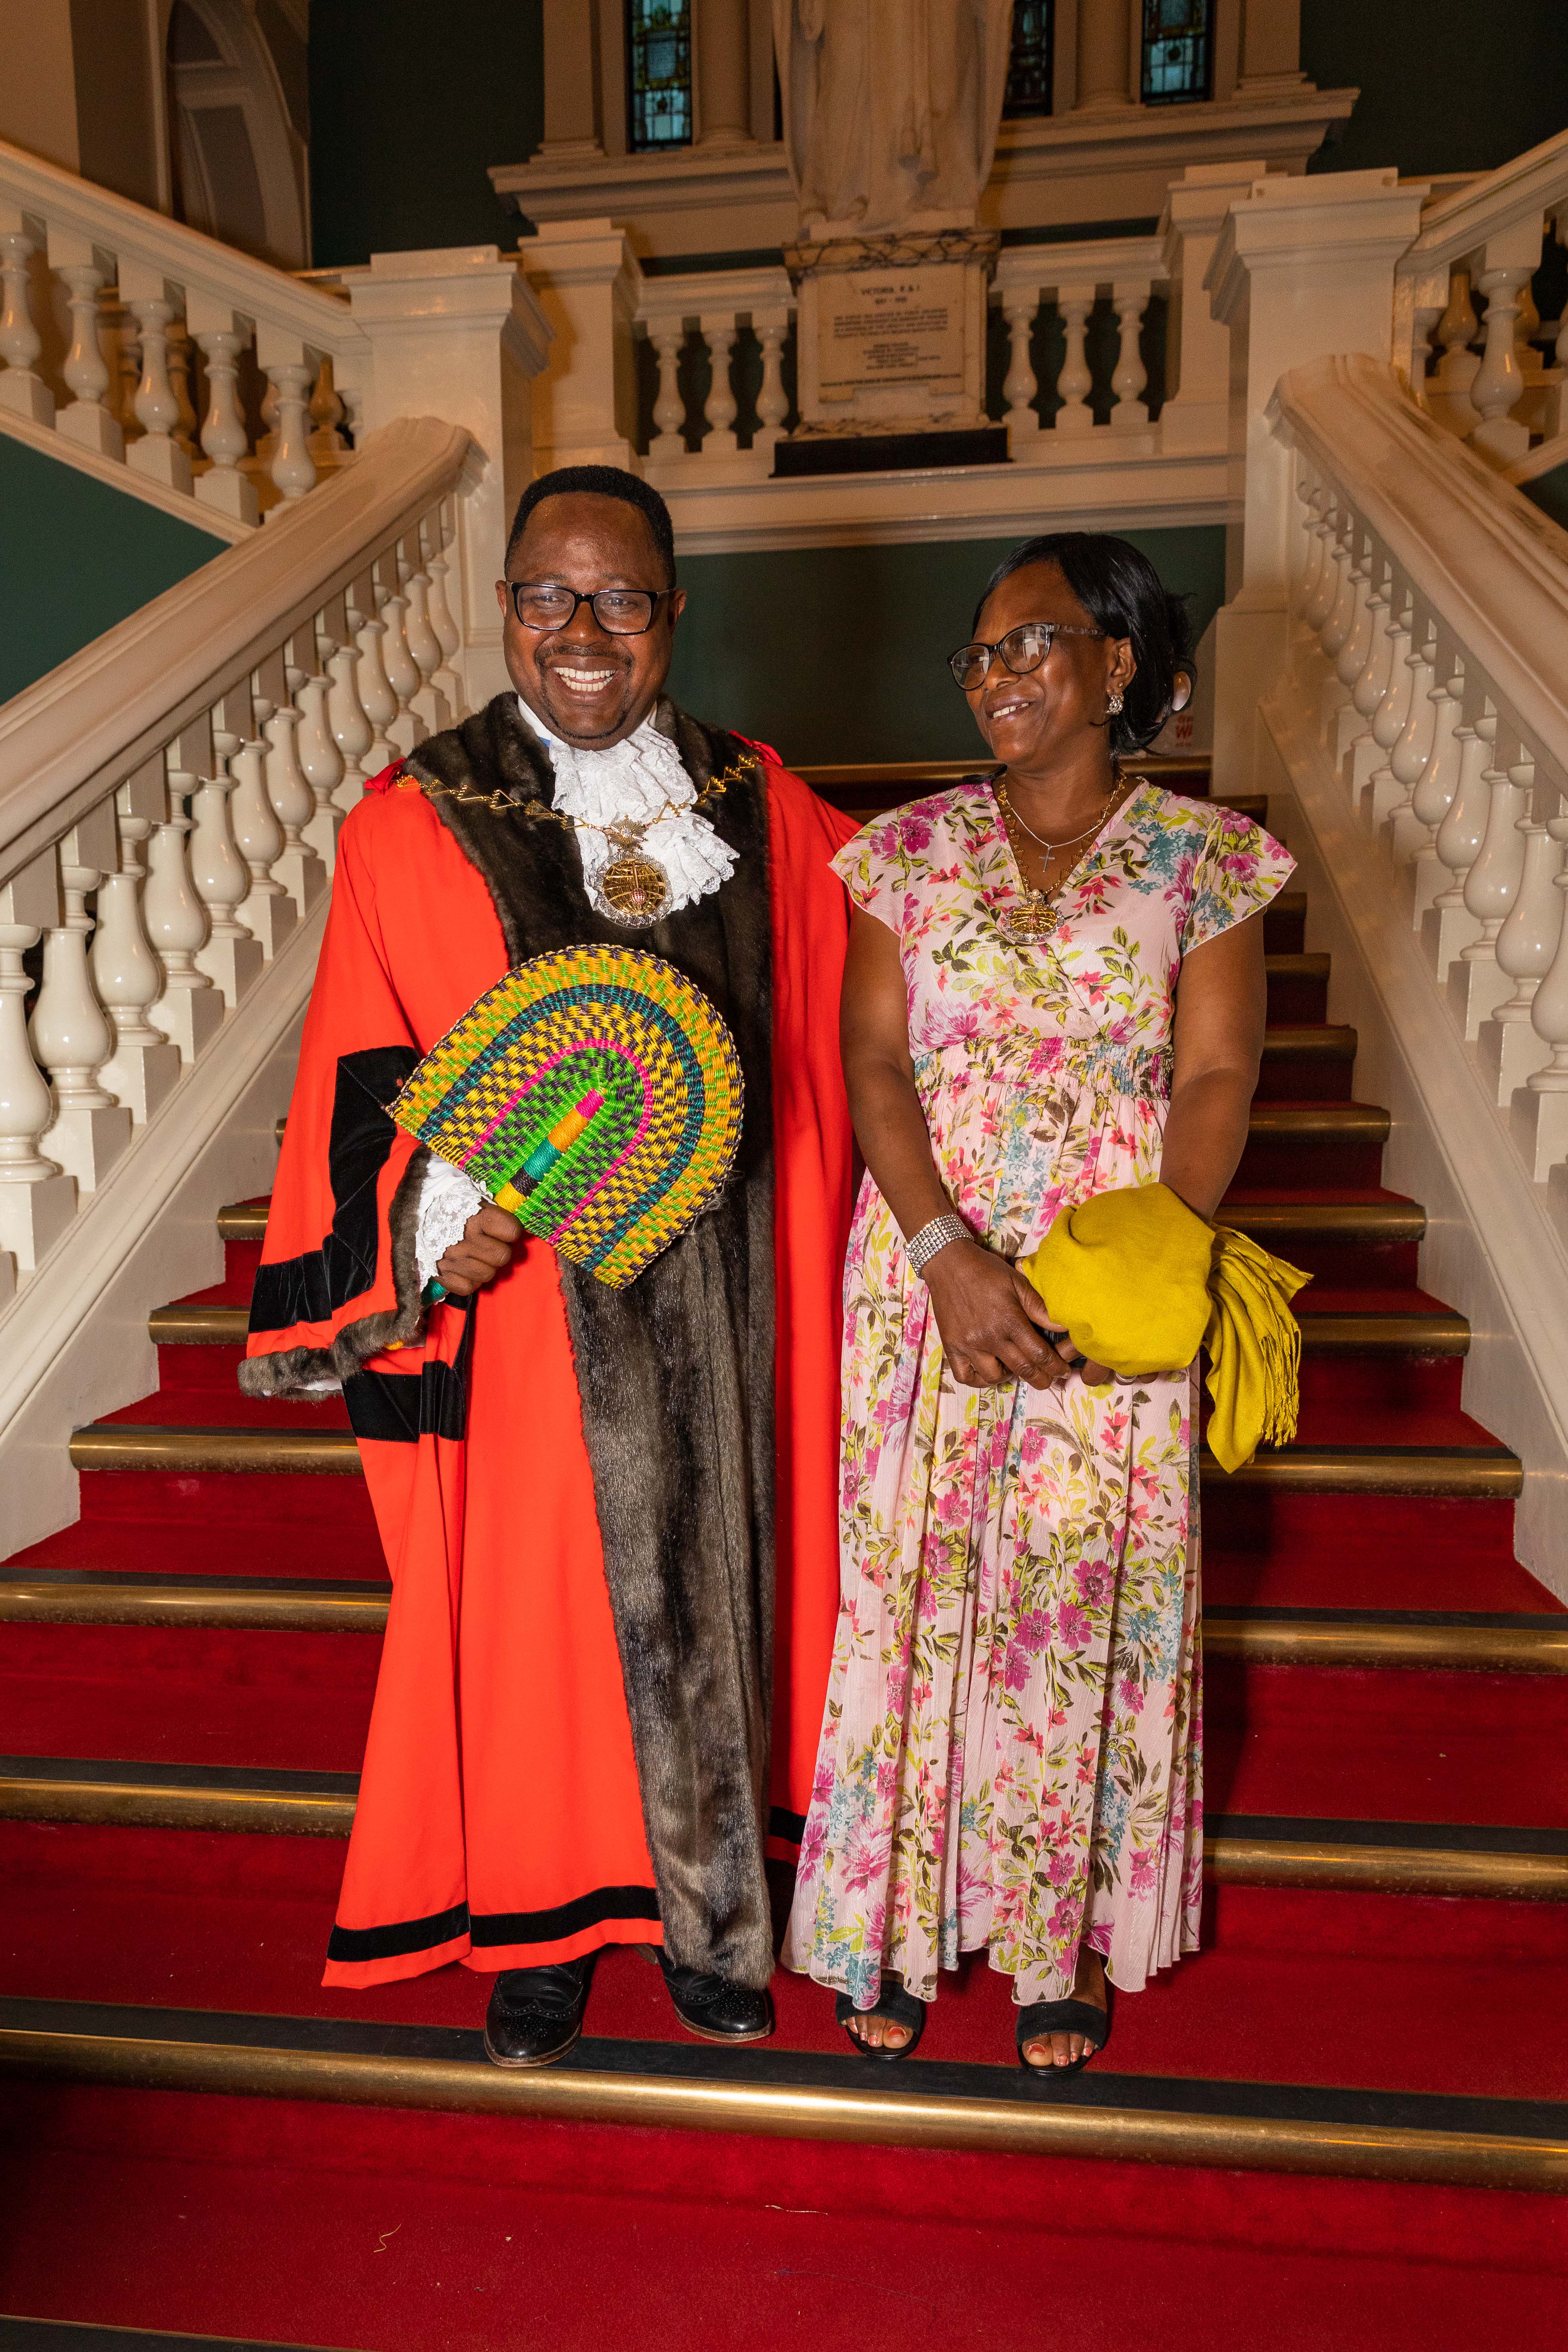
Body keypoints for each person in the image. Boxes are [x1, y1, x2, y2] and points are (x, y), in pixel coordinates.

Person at [242, 465, 856, 2066]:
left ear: (671, 609)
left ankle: (717, 1911)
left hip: (737, 1298)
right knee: (541, 1621)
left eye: (621, 597)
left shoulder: (763, 804)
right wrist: (441, 1211)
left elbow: (895, 984)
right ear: (506, 602)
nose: (580, 630)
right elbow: (365, 1058)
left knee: (734, 1591)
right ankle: (548, 1923)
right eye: (544, 595)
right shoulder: (415, 815)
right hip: (526, 1304)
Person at [782, 532, 1295, 2071]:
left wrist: (1143, 1250)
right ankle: (883, 1917)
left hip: (1105, 1293)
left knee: (1074, 1610)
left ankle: (1054, 1933)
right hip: (926, 1274)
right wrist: (944, 1246)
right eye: (982, 653)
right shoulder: (906, 853)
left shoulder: (1205, 859)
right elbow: (875, 1060)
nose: (999, 674)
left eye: (1034, 644)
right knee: (916, 1593)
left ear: (1120, 665)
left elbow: (1218, 1072)